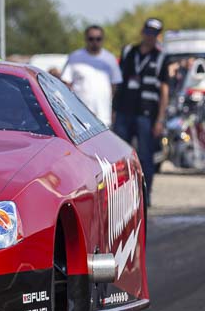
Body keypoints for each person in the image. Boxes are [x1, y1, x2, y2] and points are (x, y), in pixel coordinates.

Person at [113, 18, 170, 207]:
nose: (149, 36)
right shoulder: (129, 51)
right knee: (119, 156)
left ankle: (145, 195)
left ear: (158, 35)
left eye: (154, 33)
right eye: (147, 32)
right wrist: (113, 109)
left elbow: (164, 90)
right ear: (142, 32)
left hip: (147, 115)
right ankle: (120, 197)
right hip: (124, 111)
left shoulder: (162, 57)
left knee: (146, 157)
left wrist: (160, 119)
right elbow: (118, 82)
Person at [61, 25, 122, 126]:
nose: (95, 42)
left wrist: (111, 107)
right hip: (78, 117)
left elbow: (115, 85)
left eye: (98, 39)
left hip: (103, 117)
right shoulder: (75, 57)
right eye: (91, 39)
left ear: (102, 40)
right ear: (86, 39)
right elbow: (65, 84)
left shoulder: (110, 59)